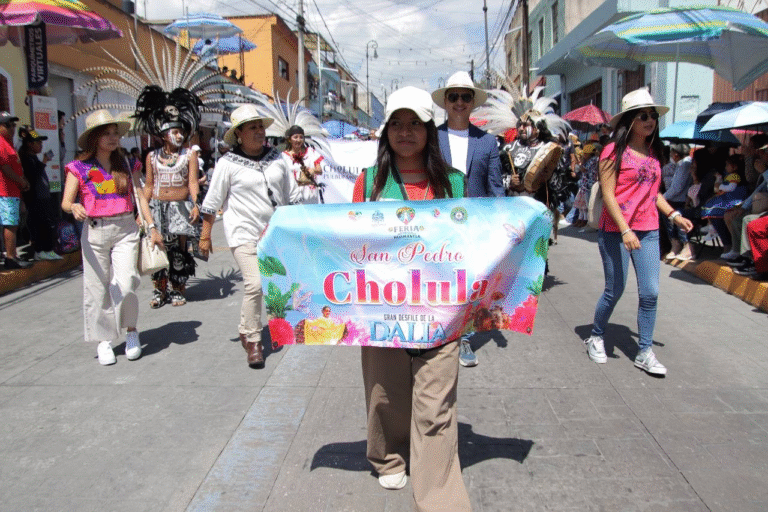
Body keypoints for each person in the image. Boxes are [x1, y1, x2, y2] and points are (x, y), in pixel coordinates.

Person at [352, 86, 471, 512]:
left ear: (429, 130)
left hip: (441, 313)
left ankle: (439, 496)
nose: (405, 132)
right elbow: (349, 244)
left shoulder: (453, 182)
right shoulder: (369, 182)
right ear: (386, 132)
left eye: (415, 123)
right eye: (396, 124)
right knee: (386, 396)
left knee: (436, 407)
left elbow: (470, 242)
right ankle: (388, 457)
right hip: (382, 312)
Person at [584, 88, 693, 376]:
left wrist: (674, 214)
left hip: (649, 230)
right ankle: (595, 335)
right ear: (630, 120)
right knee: (615, 289)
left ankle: (644, 350)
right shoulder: (612, 151)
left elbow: (652, 192)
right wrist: (625, 229)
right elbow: (608, 194)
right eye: (643, 116)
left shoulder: (653, 152)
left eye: (653, 116)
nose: (650, 120)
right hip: (616, 230)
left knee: (651, 293)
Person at [199, 104, 299, 369]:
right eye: (252, 127)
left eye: (261, 126)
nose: (259, 131)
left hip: (274, 234)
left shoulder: (278, 158)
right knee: (255, 285)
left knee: (274, 285)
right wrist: (205, 237)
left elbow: (290, 197)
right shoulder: (226, 163)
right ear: (239, 134)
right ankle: (254, 342)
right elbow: (212, 202)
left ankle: (245, 327)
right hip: (243, 233)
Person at [61, 110, 163, 365]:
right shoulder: (79, 167)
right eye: (106, 133)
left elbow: (140, 196)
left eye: (115, 133)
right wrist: (74, 207)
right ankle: (104, 339)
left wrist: (152, 227)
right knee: (97, 288)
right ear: (94, 138)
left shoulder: (127, 164)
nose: (112, 137)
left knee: (127, 283)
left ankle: (131, 332)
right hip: (95, 230)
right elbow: (65, 201)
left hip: (126, 228)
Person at [432, 71, 503, 367]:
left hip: (475, 226)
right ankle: (440, 332)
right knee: (441, 282)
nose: (459, 102)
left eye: (465, 96)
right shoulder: (432, 138)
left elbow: (495, 186)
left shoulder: (486, 142)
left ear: (473, 102)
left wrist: (501, 225)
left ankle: (462, 337)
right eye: (454, 96)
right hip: (439, 225)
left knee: (469, 283)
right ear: (445, 102)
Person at [141, 104, 201, 308]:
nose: (179, 135)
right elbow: (148, 186)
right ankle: (159, 289)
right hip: (157, 208)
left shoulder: (189, 154)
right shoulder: (151, 156)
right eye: (175, 132)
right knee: (158, 249)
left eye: (181, 132)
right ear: (165, 135)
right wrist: (143, 211)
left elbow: (192, 182)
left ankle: (177, 289)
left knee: (178, 251)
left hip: (180, 208)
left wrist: (195, 204)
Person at [18, 126, 62, 261]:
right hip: (35, 198)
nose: (41, 145)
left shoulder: (34, 158)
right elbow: (32, 177)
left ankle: (47, 249)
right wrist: (43, 162)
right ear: (30, 144)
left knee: (47, 224)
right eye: (38, 143)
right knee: (40, 225)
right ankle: (41, 250)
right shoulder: (26, 159)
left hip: (43, 197)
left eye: (41, 143)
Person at [0, 111, 32, 270]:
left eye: (13, 125)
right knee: (10, 224)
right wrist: (20, 180)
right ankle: (11, 257)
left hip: (13, 191)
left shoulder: (9, 142)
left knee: (13, 224)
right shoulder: (0, 142)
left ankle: (12, 256)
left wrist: (23, 180)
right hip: (5, 192)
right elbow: (5, 167)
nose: (12, 128)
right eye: (8, 125)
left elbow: (15, 166)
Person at [661, 143, 692, 259]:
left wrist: (662, 198)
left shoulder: (685, 164)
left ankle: (686, 247)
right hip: (675, 199)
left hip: (680, 200)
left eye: (671, 153)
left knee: (679, 224)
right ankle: (675, 246)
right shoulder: (680, 165)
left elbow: (677, 187)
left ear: (675, 154)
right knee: (670, 223)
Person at [281, 125, 325, 204]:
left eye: (301, 137)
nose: (298, 140)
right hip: (293, 197)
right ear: (290, 139)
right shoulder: (283, 156)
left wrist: (312, 170)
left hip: (310, 197)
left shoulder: (311, 152)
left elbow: (319, 170)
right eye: (295, 137)